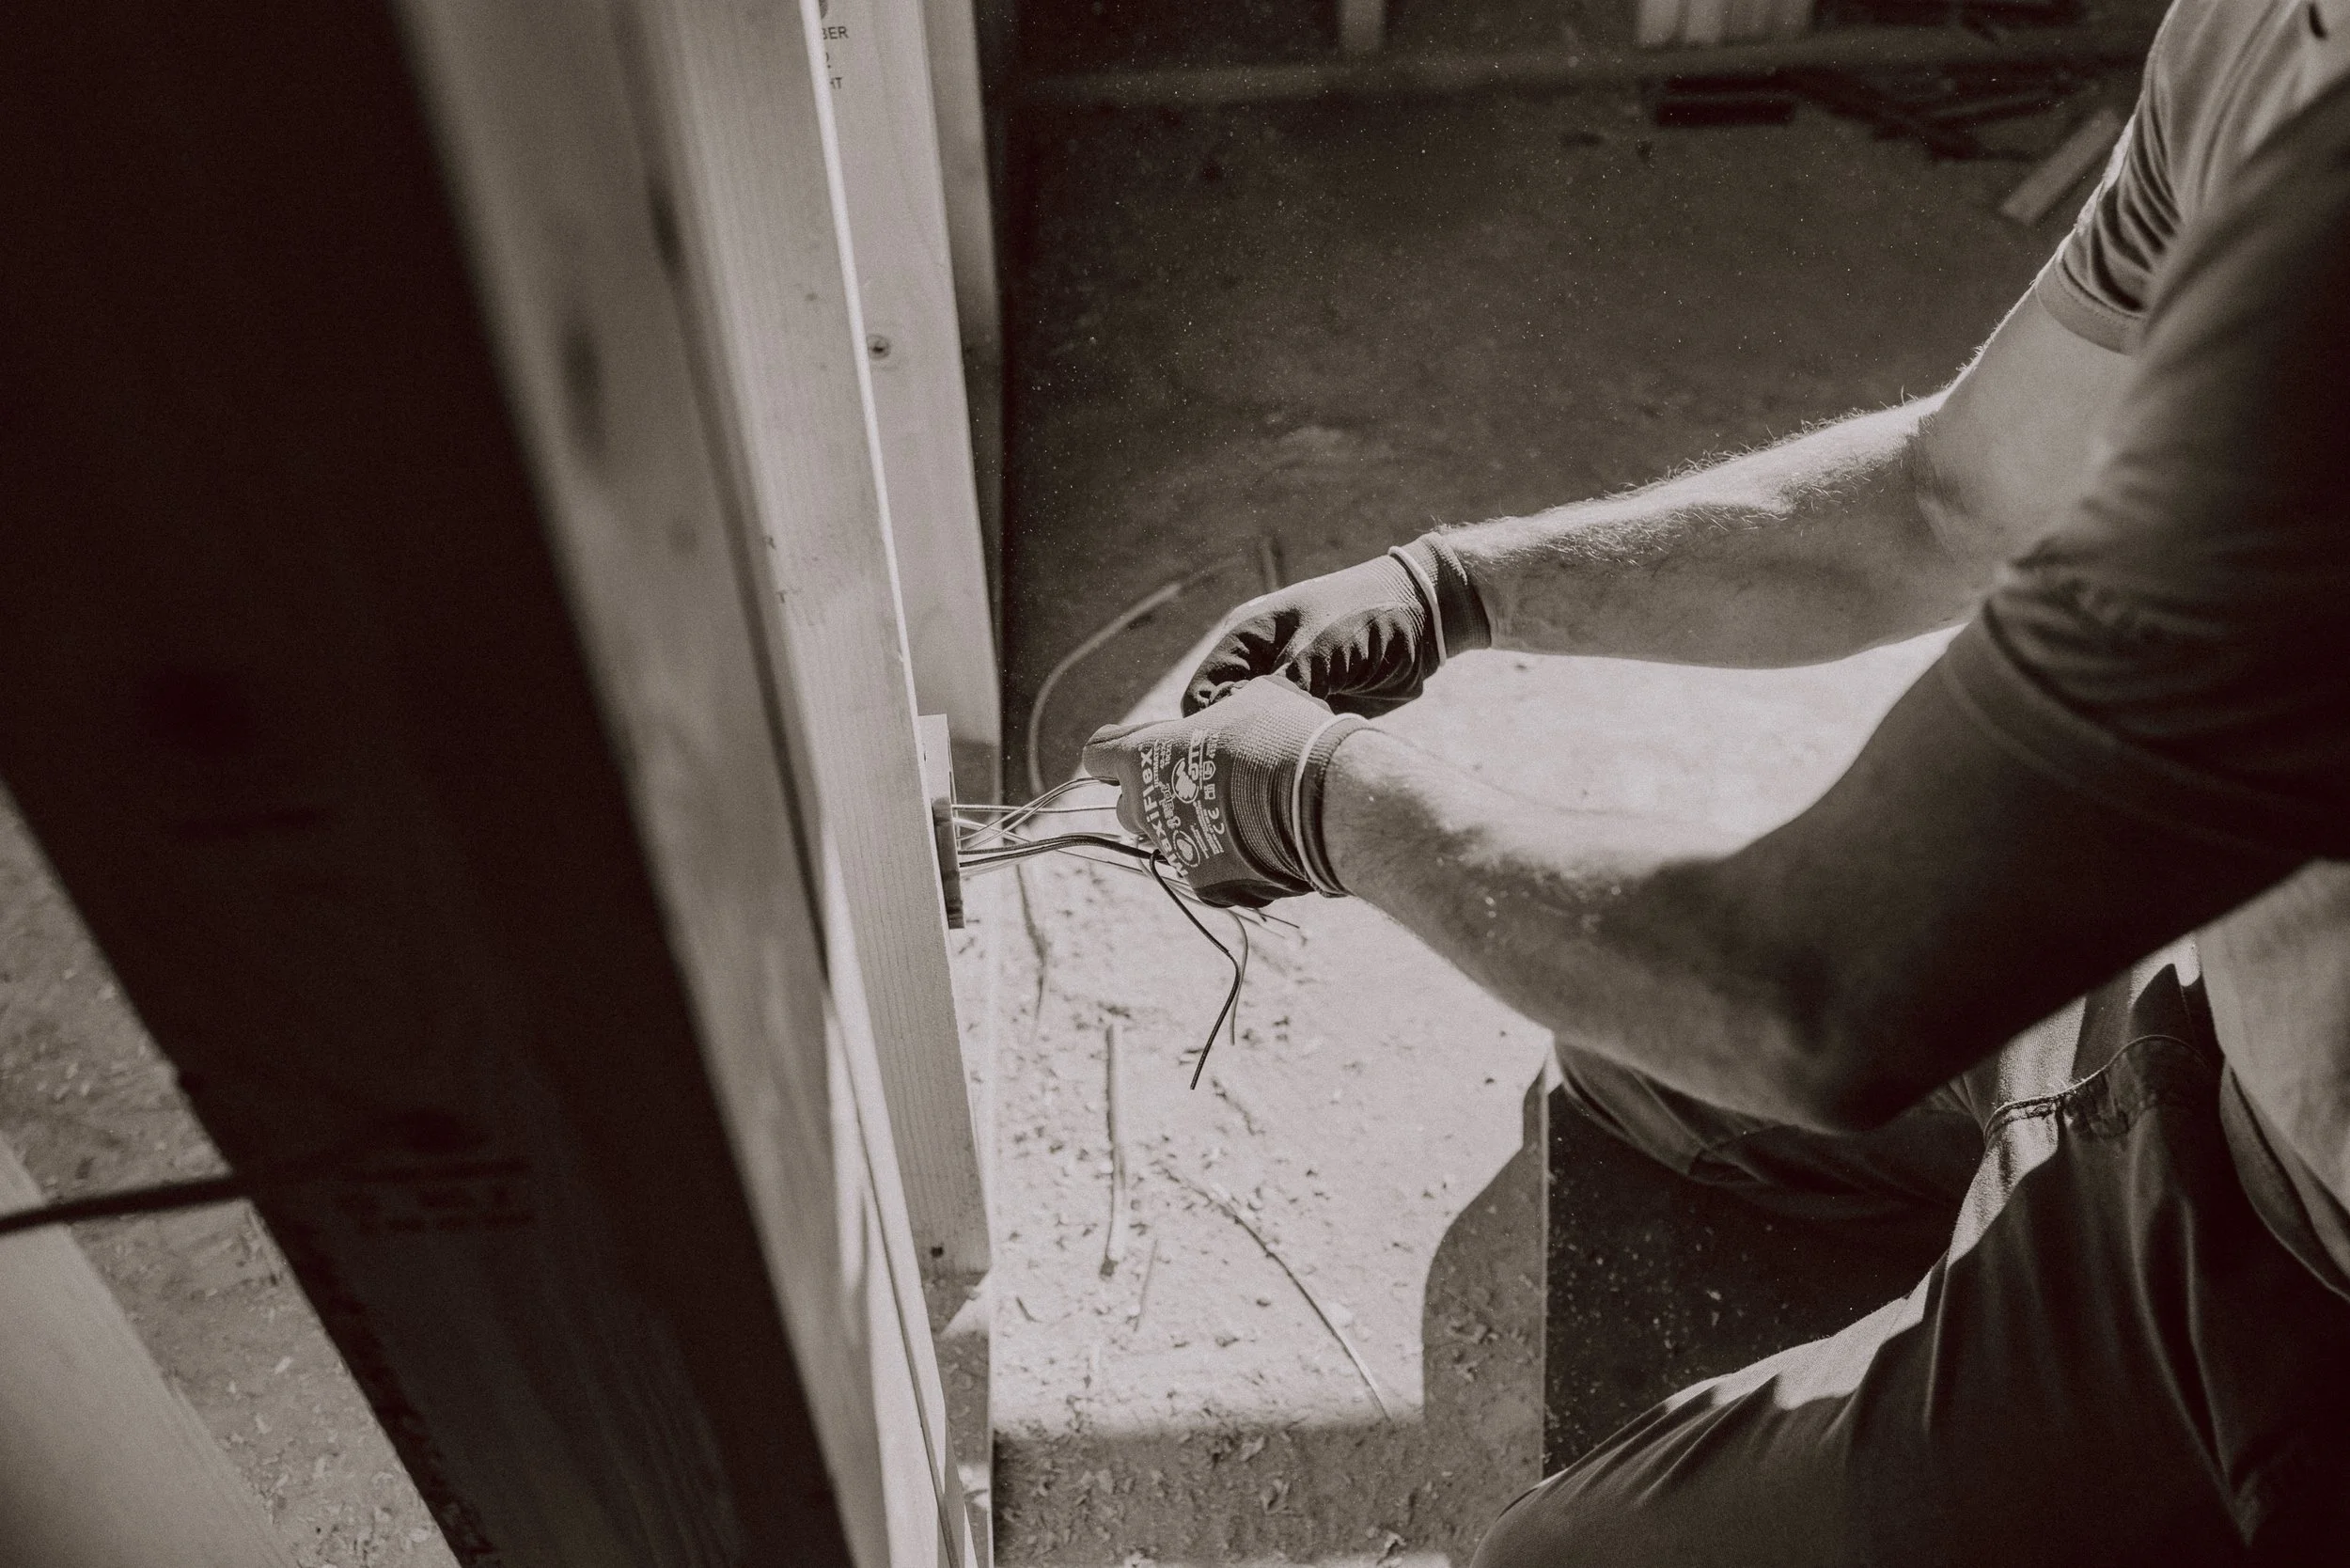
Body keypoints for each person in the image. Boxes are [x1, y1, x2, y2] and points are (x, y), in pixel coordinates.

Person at [1080, 2, 2350, 1560]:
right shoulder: (2267, 40)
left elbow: (1803, 998)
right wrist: (1456, 587)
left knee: (1540, 1562)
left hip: (2296, 1289)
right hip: (2202, 1000)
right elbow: (1953, 501)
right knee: (1625, 1052)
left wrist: (1316, 801)